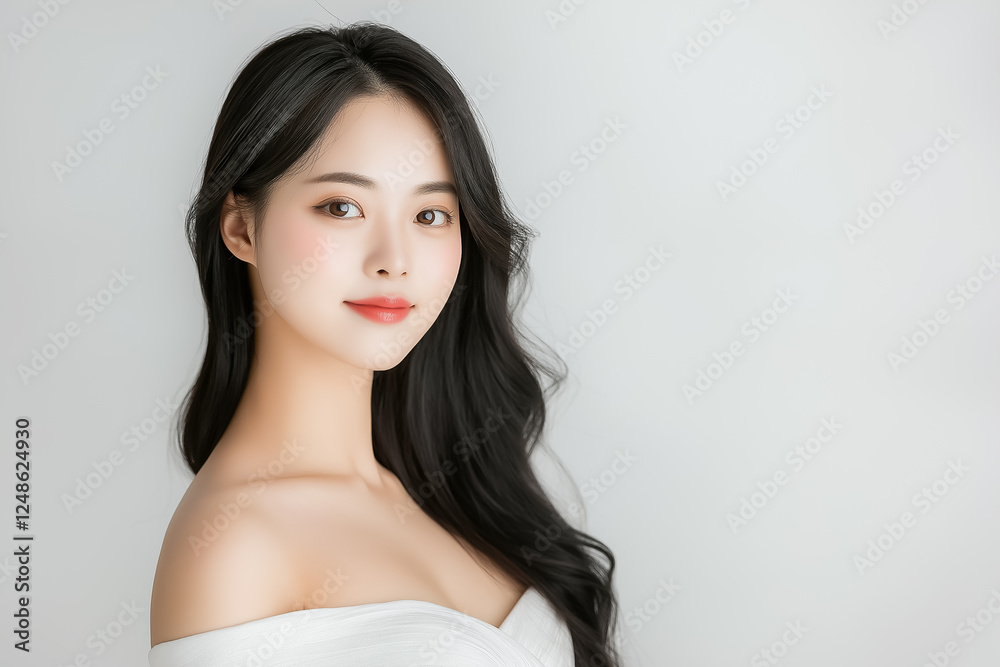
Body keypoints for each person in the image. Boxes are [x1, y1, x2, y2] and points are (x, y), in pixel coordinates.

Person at [148, 21, 622, 666]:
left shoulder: (450, 482)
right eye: (342, 207)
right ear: (241, 228)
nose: (394, 260)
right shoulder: (234, 546)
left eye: (430, 215)